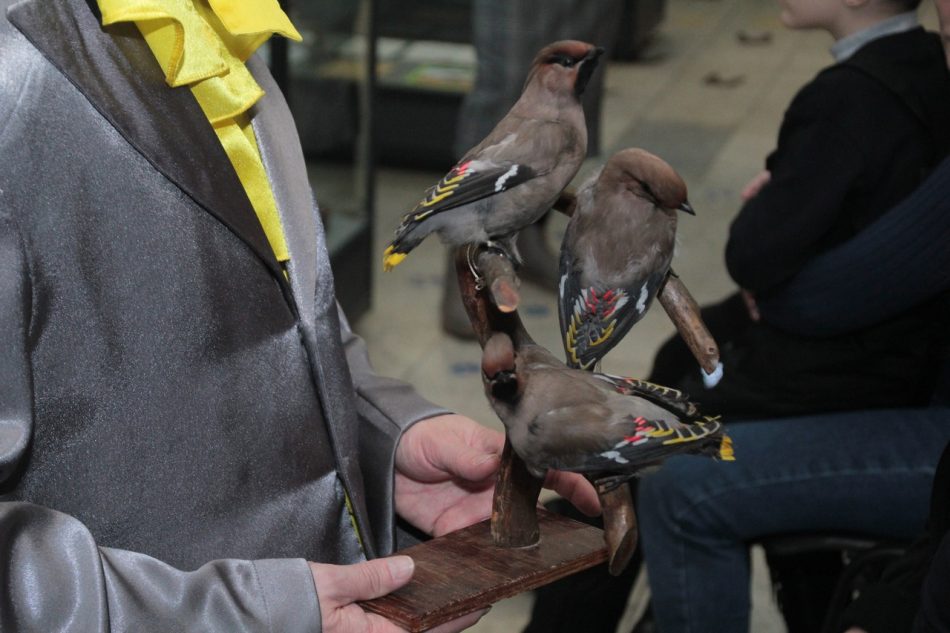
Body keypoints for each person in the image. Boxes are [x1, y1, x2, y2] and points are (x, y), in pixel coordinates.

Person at [0, 1, 599, 631]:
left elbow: (266, 330)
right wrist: (246, 614)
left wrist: (384, 444)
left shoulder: (219, 25)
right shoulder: (16, 77)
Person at [637, 0, 950, 628]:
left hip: (909, 405)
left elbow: (795, 278)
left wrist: (777, 271)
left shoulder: (850, 97)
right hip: (910, 378)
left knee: (675, 478)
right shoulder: (917, 71)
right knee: (669, 383)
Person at [649, 0, 950, 419]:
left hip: (846, 359)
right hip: (900, 339)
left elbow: (751, 256)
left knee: (679, 374)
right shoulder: (934, 59)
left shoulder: (842, 99)